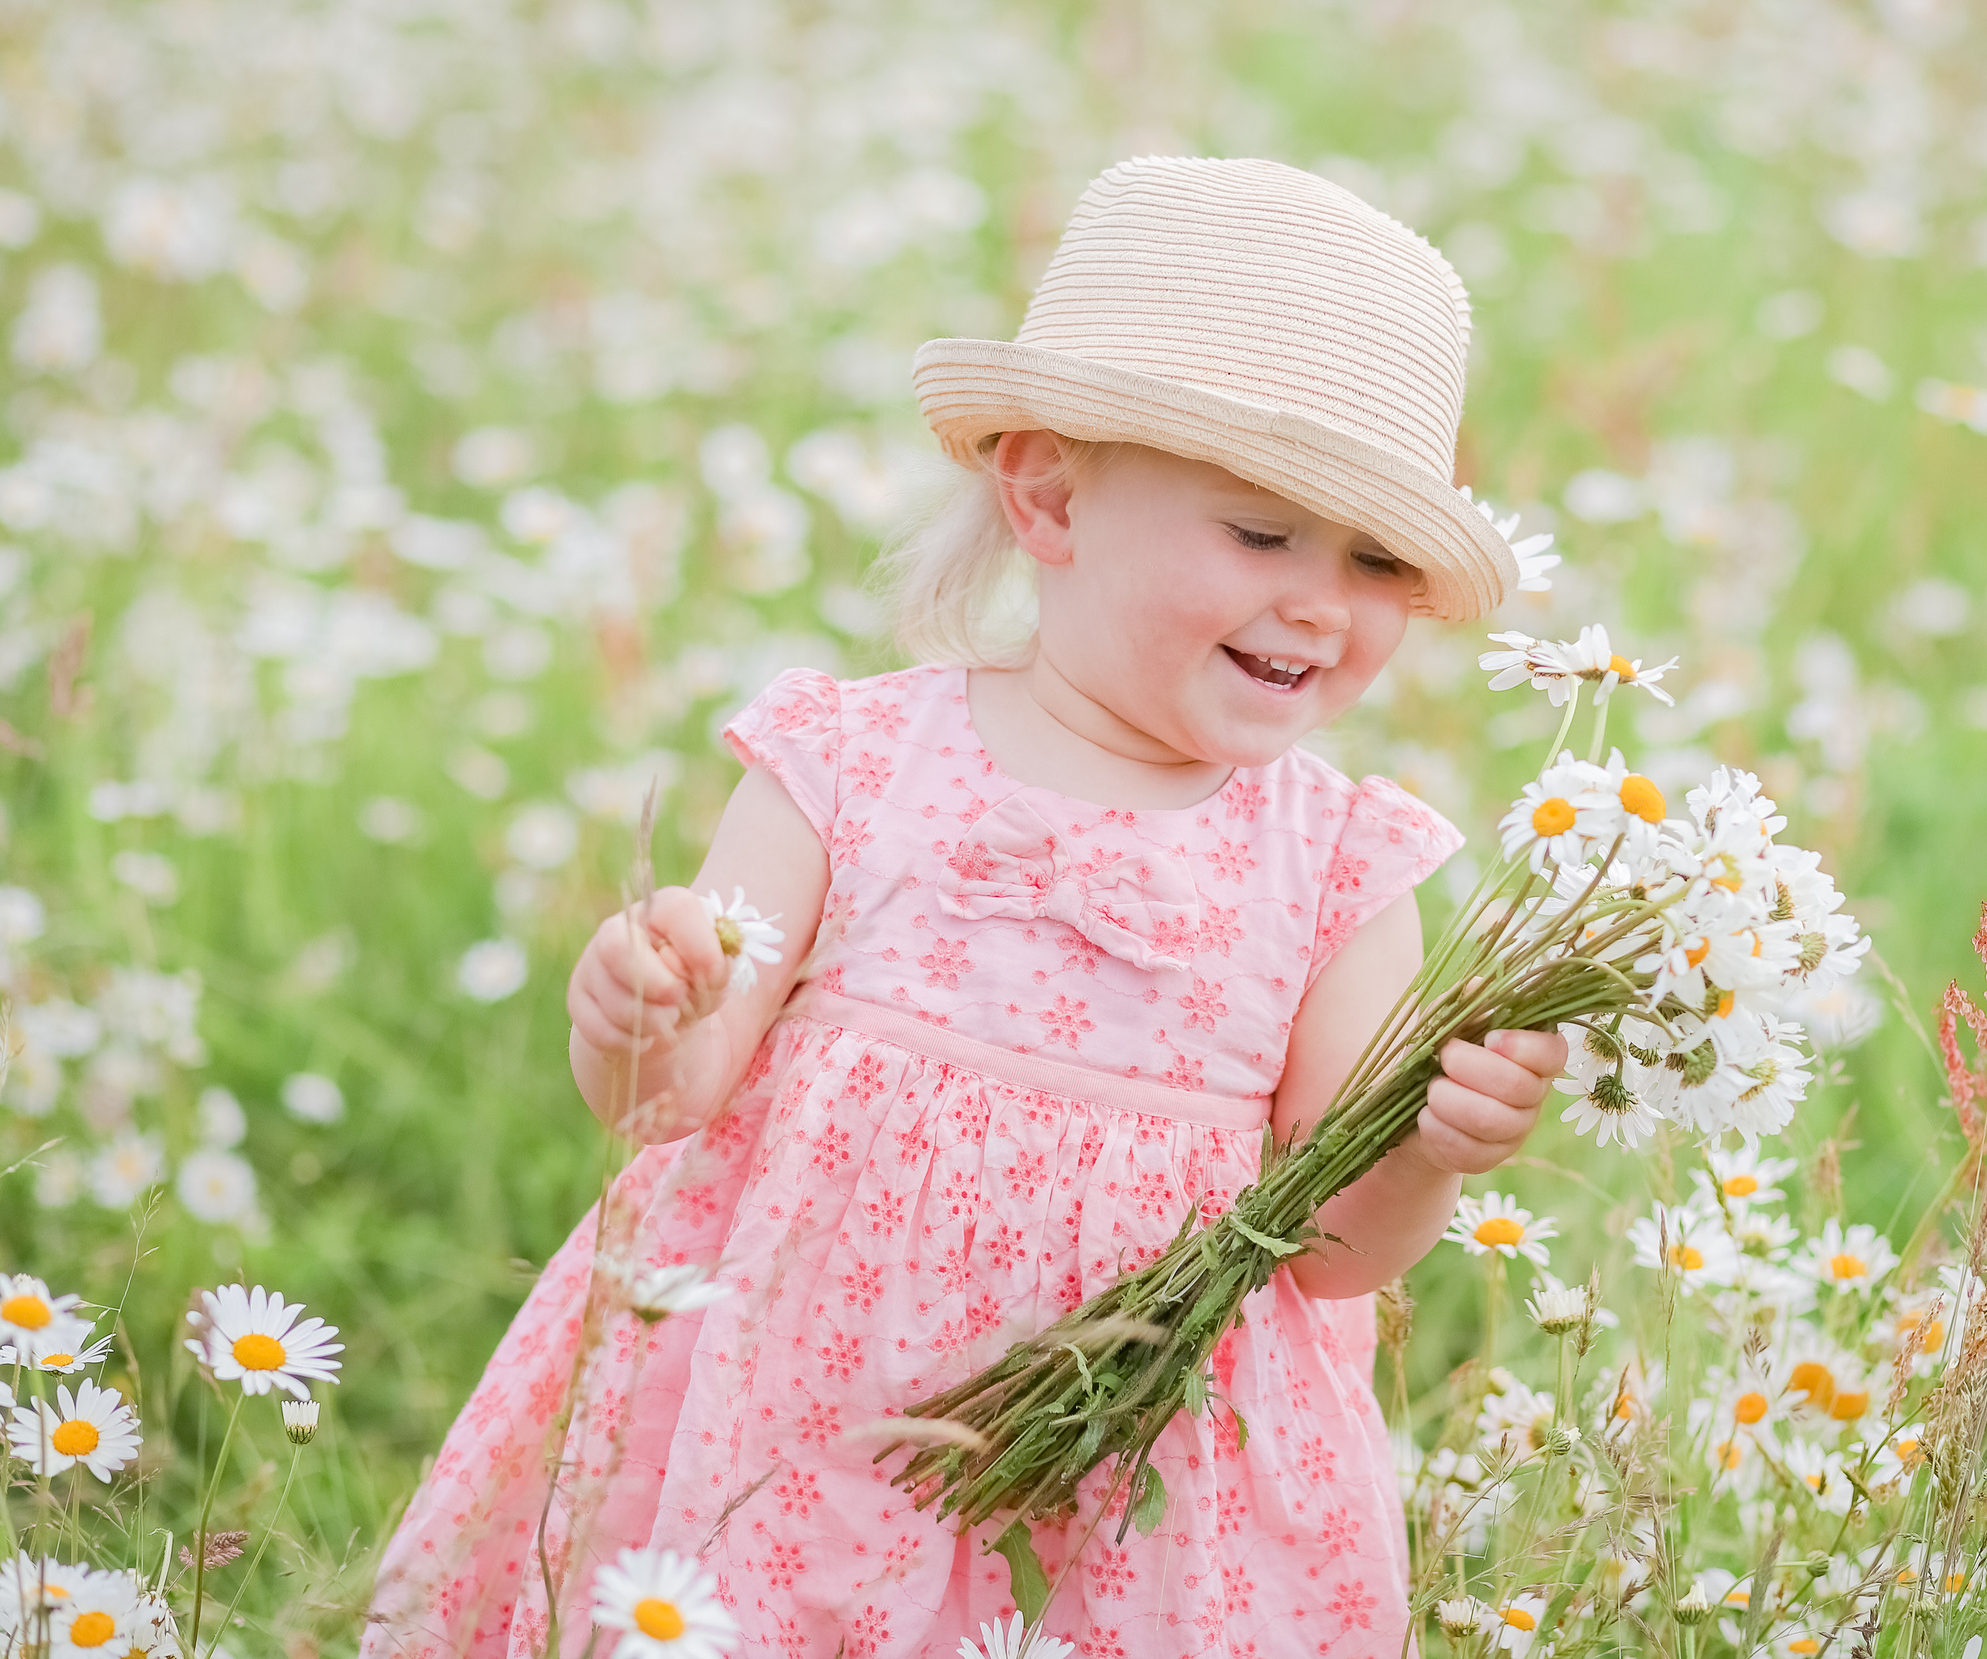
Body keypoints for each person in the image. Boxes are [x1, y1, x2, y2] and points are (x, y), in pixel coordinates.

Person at [366, 155, 1570, 1659]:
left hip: (1135, 1480)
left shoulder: (1344, 868)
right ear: (1049, 494)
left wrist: (1437, 1153)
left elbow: (1330, 1251)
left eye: (1377, 559)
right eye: (1262, 535)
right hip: (803, 1438)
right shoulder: (848, 763)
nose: (1322, 601)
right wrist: (637, 1014)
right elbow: (666, 1100)